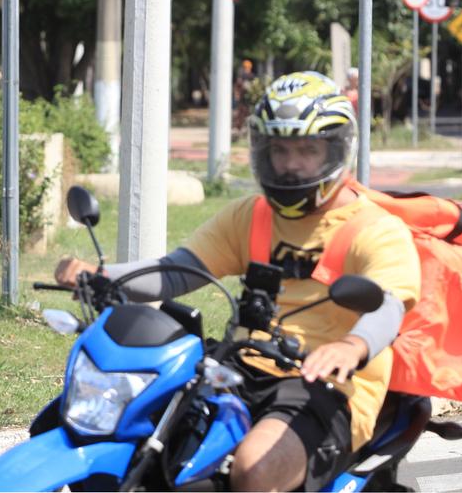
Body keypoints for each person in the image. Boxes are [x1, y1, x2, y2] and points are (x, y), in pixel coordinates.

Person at [55, 71, 420, 492]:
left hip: (328, 387)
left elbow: (390, 305)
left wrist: (351, 345)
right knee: (134, 438)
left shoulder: (374, 228)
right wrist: (100, 276)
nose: (291, 164)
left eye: (307, 149)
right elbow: (176, 271)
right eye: (280, 149)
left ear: (337, 150)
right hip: (237, 366)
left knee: (254, 469)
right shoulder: (251, 214)